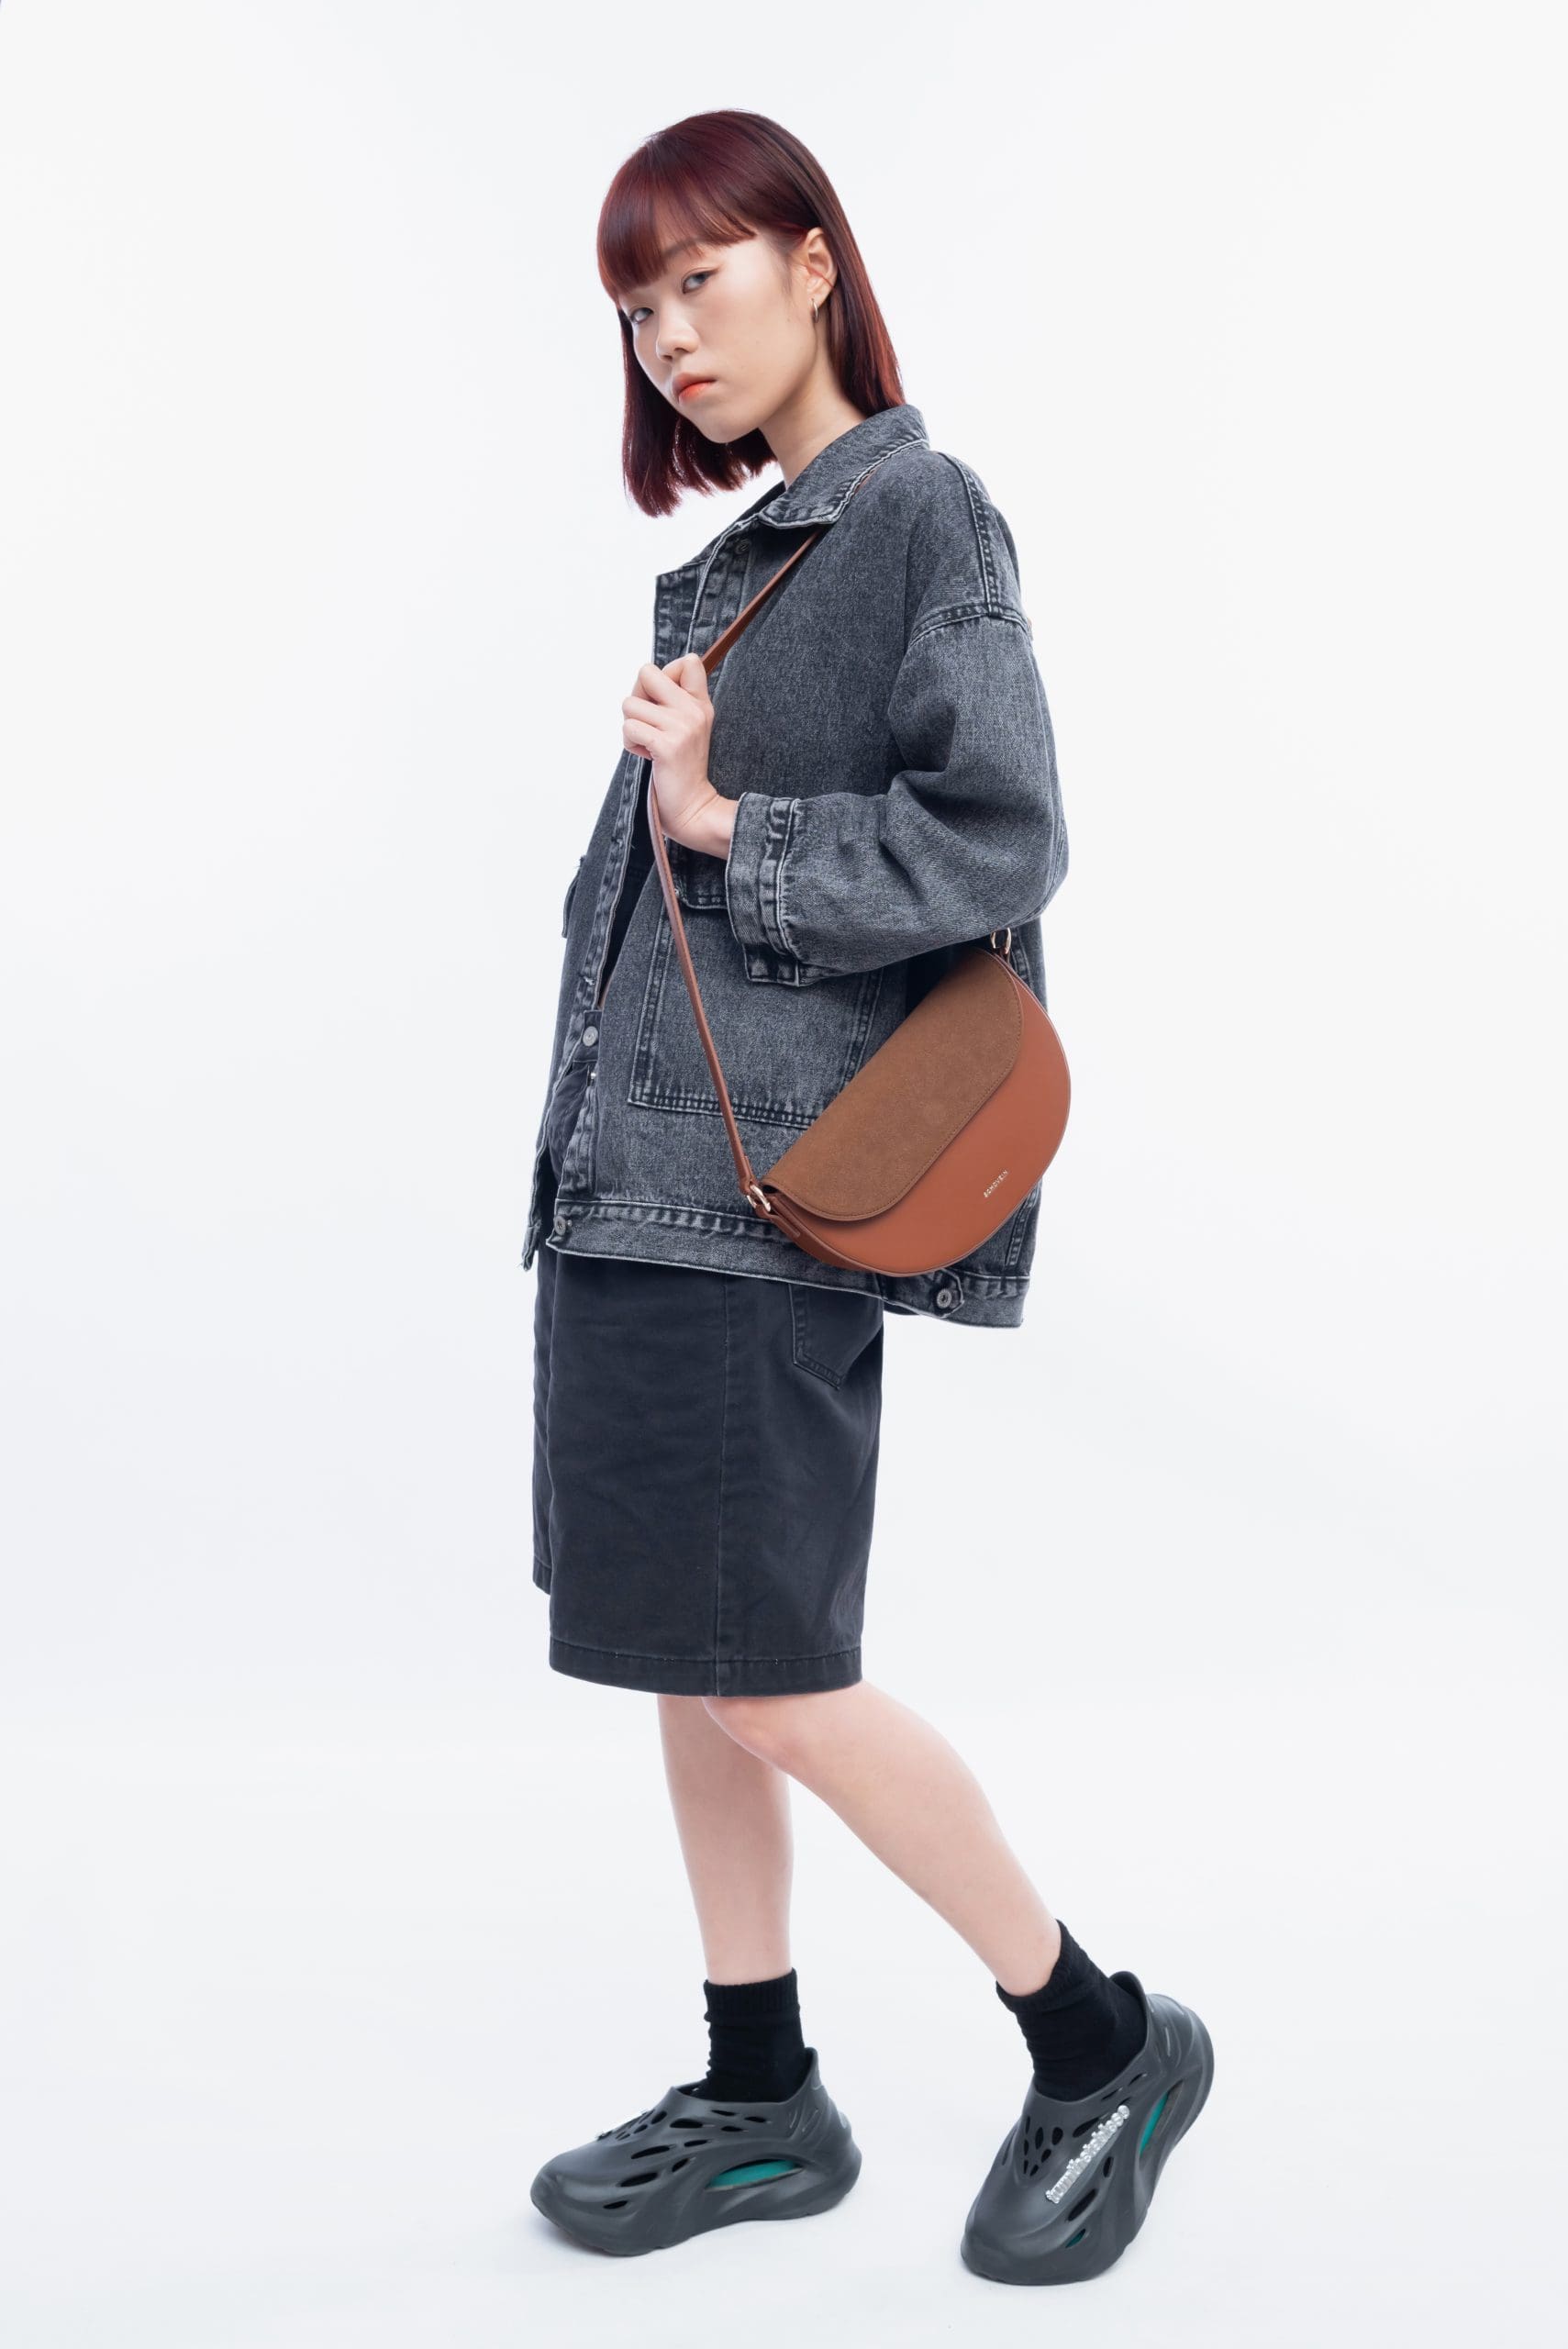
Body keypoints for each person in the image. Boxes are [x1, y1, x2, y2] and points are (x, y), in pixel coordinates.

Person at [526, 110, 1213, 2283]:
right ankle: (761, 2093)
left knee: (777, 1674)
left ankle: (1101, 2038)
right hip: (637, 1193)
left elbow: (1003, 833)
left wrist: (726, 823)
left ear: (815, 263)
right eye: (635, 304)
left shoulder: (918, 513)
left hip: (767, 1204)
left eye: (700, 277)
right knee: (691, 1657)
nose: (668, 332)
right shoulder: (756, 553)